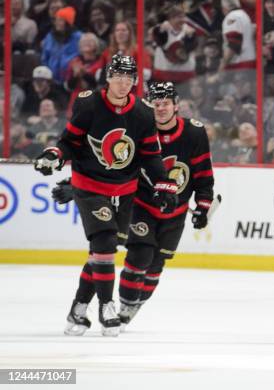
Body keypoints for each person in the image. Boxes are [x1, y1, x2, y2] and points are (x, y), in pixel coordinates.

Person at [33, 55, 178, 337]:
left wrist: (165, 183)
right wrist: (55, 154)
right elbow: (69, 142)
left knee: (103, 252)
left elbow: (150, 154)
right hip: (89, 185)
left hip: (124, 191)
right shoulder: (89, 104)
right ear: (108, 78)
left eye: (129, 77)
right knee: (105, 243)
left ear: (135, 81)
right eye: (118, 76)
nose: (123, 82)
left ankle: (78, 309)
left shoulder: (143, 113)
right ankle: (106, 306)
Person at [52, 82, 215, 330]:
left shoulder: (193, 133)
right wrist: (75, 188)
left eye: (165, 104)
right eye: (156, 104)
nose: (160, 109)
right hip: (138, 203)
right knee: (131, 252)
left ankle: (126, 307)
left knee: (155, 265)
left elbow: (203, 174)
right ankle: (98, 307)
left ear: (176, 105)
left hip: (174, 211)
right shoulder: (139, 123)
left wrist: (203, 205)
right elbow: (110, 163)